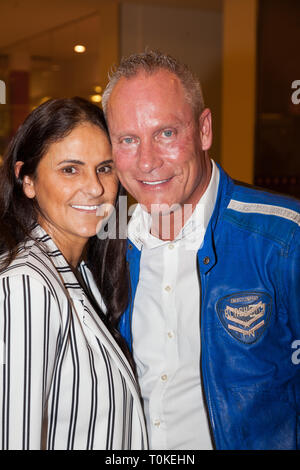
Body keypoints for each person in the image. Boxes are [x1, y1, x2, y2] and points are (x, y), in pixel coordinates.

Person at [101, 50, 300, 450]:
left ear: (204, 129)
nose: (147, 162)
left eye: (166, 133)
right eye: (128, 139)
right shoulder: (103, 247)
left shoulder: (284, 239)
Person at [0, 97, 148, 450]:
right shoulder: (26, 286)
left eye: (105, 168)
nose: (95, 188)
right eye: (70, 169)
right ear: (27, 180)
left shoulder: (83, 273)